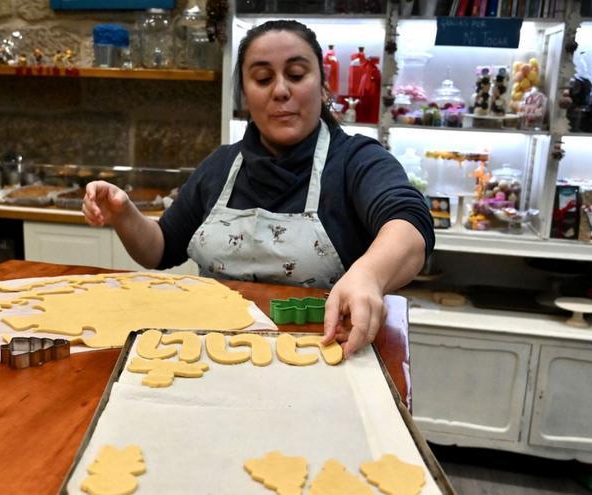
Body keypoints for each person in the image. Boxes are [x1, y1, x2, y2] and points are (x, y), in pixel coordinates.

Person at [83, 20, 434, 358]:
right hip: (209, 354)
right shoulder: (221, 166)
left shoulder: (356, 160)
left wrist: (368, 276)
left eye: (296, 75)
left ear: (324, 88)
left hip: (325, 353)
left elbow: (409, 223)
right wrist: (125, 214)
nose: (281, 90)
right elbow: (159, 249)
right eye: (263, 78)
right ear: (245, 95)